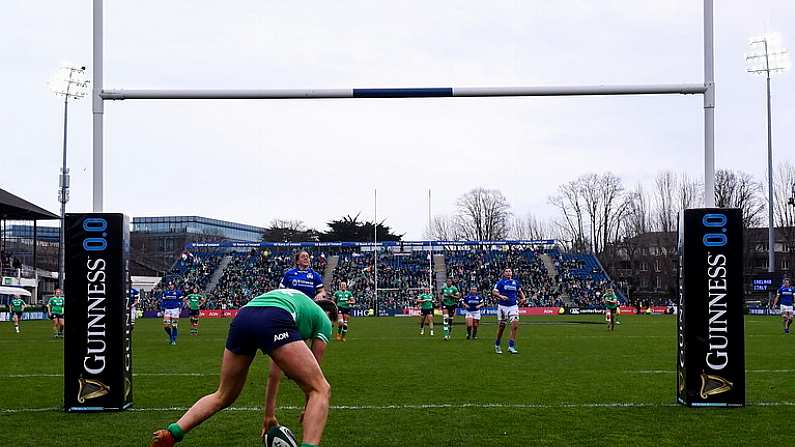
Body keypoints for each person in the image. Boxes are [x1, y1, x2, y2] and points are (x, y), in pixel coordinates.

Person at [149, 289, 337, 447]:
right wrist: (308, 404)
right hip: (275, 316)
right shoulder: (324, 320)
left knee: (224, 394)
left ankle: (171, 434)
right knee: (321, 389)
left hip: (244, 316)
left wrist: (269, 415)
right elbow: (315, 373)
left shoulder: (301, 306)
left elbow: (274, 373)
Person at [492, 268, 527, 354]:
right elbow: (494, 292)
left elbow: (520, 291)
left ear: (512, 273)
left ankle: (511, 346)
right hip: (502, 307)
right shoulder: (500, 282)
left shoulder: (515, 282)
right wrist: (501, 296)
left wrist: (523, 298)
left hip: (513, 306)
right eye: (506, 271)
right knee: (501, 327)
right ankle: (497, 345)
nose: (508, 273)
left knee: (515, 325)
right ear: (504, 273)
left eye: (510, 271)